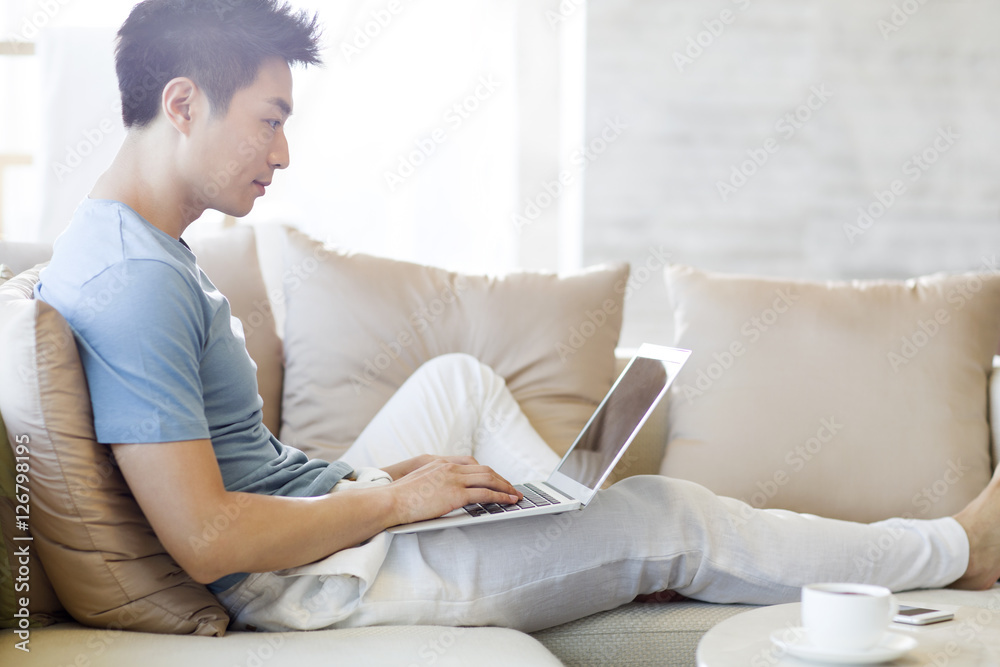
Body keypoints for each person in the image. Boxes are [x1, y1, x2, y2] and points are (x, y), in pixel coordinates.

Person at [36, 0, 1000, 633]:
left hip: (318, 514)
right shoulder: (136, 280)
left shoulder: (135, 244)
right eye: (272, 117)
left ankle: (562, 522)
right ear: (183, 103)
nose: (282, 154)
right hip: (309, 581)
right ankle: (956, 550)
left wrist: (373, 482)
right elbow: (208, 541)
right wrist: (392, 499)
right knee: (673, 514)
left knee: (457, 382)